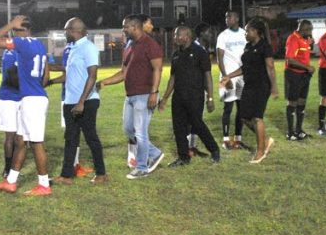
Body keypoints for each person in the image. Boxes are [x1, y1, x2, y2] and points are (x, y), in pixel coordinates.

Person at [0, 16, 54, 196]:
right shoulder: (39, 44)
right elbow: (45, 75)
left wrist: (9, 24)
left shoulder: (22, 43)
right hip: (32, 96)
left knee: (36, 143)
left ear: (19, 29)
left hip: (32, 99)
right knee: (21, 141)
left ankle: (44, 185)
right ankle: (10, 181)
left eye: (15, 29)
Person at [98, 14, 165, 179]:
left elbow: (158, 69)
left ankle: (142, 168)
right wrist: (103, 82)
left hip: (145, 94)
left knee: (141, 132)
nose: (123, 29)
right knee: (128, 129)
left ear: (134, 27)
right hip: (130, 95)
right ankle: (155, 153)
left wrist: (154, 93)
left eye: (125, 26)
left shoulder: (150, 44)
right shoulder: (129, 45)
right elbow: (123, 73)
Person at [49, 18, 107, 185]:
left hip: (87, 101)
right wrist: (51, 82)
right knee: (70, 139)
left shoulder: (88, 47)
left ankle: (101, 174)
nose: (64, 33)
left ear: (75, 30)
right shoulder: (71, 48)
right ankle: (66, 176)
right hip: (70, 101)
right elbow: (69, 75)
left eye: (66, 30)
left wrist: (81, 101)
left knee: (91, 138)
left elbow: (92, 76)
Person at [160, 26, 221, 167]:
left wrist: (210, 98)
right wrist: (165, 98)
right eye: (175, 36)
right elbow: (172, 78)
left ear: (186, 36)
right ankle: (183, 157)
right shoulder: (176, 55)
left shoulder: (200, 52)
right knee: (178, 128)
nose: (175, 38)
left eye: (177, 36)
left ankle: (214, 150)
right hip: (178, 97)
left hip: (195, 96)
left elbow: (207, 76)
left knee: (197, 125)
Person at [219, 19, 277, 163]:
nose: (245, 33)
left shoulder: (265, 46)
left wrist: (274, 86)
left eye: (248, 31)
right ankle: (265, 139)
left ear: (256, 32)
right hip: (249, 85)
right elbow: (245, 68)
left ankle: (260, 152)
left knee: (257, 117)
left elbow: (270, 67)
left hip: (262, 86)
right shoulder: (248, 46)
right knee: (244, 117)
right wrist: (228, 76)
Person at [216, 11, 247, 150]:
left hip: (241, 77)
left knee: (241, 109)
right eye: (225, 16)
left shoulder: (244, 33)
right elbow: (219, 58)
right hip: (228, 77)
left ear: (237, 18)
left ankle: (238, 139)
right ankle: (226, 140)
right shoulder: (223, 36)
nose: (227, 19)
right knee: (228, 108)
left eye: (229, 16)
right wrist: (225, 77)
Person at [0, 33, 22, 179]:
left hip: (19, 97)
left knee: (20, 136)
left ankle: (14, 168)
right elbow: (12, 77)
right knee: (11, 135)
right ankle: (7, 169)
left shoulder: (16, 52)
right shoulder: (11, 53)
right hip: (8, 98)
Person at [283, 20, 315, 140]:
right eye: (309, 30)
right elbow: (290, 60)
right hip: (293, 75)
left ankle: (299, 131)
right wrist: (307, 67)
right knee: (292, 103)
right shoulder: (293, 39)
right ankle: (290, 133)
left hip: (304, 75)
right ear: (303, 29)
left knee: (302, 102)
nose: (311, 32)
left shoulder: (305, 38)